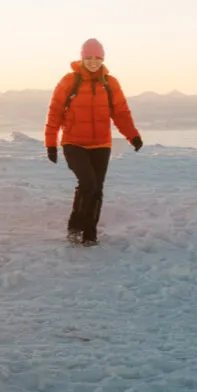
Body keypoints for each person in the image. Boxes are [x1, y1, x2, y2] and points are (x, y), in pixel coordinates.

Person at [45, 38, 143, 245]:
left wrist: (133, 136)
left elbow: (121, 113)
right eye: (88, 57)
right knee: (88, 183)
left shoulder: (110, 83)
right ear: (82, 58)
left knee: (96, 188)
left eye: (97, 57)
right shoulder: (69, 81)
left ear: (102, 59)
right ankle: (75, 227)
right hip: (74, 143)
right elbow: (54, 113)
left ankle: (90, 234)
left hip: (101, 145)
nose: (92, 61)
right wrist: (51, 144)